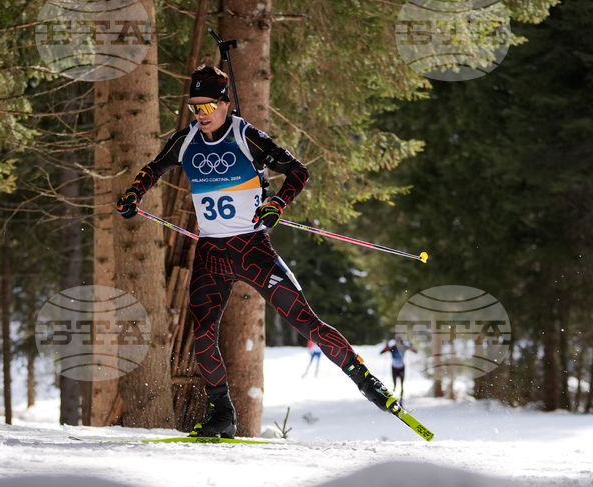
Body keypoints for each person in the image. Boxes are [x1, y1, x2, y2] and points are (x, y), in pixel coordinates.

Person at [116, 65, 400, 438]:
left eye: (207, 107)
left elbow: (298, 171)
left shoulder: (245, 135)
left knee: (304, 321)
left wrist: (277, 205)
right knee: (203, 333)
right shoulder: (184, 140)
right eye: (194, 108)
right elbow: (153, 169)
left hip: (252, 249)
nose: (201, 116)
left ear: (224, 104)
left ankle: (367, 381)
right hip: (211, 253)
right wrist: (134, 194)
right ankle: (222, 413)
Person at [381, 336, 417, 402]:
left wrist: (411, 345)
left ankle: (401, 402)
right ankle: (394, 401)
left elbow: (415, 351)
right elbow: (382, 352)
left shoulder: (404, 348)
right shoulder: (392, 348)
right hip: (394, 368)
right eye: (398, 344)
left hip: (401, 368)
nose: (399, 345)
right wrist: (386, 345)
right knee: (394, 385)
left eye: (400, 344)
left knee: (402, 386)